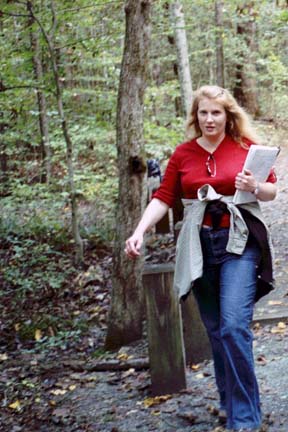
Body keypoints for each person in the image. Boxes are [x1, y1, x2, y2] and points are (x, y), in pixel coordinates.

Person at [124, 85, 277, 432]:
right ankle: (228, 400)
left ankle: (245, 418)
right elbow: (163, 198)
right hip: (200, 244)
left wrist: (254, 185)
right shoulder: (183, 154)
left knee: (235, 326)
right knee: (216, 329)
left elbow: (271, 191)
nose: (209, 119)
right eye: (203, 112)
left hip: (240, 242)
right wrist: (138, 231)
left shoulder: (246, 148)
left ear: (228, 116)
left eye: (216, 113)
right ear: (196, 116)